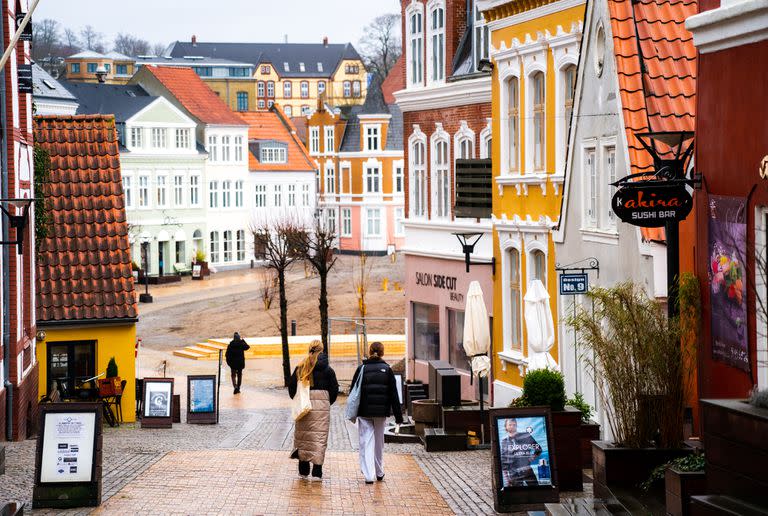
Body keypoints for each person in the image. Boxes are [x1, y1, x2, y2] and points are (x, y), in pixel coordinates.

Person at [351, 341, 403, 484]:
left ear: (370, 352)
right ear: (382, 352)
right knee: (379, 443)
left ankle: (368, 474)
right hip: (381, 413)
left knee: (365, 441)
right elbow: (394, 395)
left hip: (364, 411)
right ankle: (379, 472)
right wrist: (399, 417)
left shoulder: (361, 369)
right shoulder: (387, 369)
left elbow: (353, 391)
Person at [288, 340, 338, 479]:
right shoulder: (328, 370)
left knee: (303, 438)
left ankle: (303, 470)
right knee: (319, 439)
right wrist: (326, 403)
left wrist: (299, 399)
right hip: (321, 409)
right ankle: (317, 471)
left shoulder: (300, 367)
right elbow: (334, 390)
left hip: (304, 407)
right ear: (322, 351)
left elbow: (292, 388)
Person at [499, 418, 542, 487]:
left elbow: (538, 449)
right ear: (506, 427)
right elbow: (504, 460)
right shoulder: (504, 441)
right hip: (513, 473)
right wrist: (507, 478)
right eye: (510, 425)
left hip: (527, 470)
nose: (512, 426)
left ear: (516, 425)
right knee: (516, 494)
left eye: (514, 425)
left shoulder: (525, 436)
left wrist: (532, 457)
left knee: (535, 489)